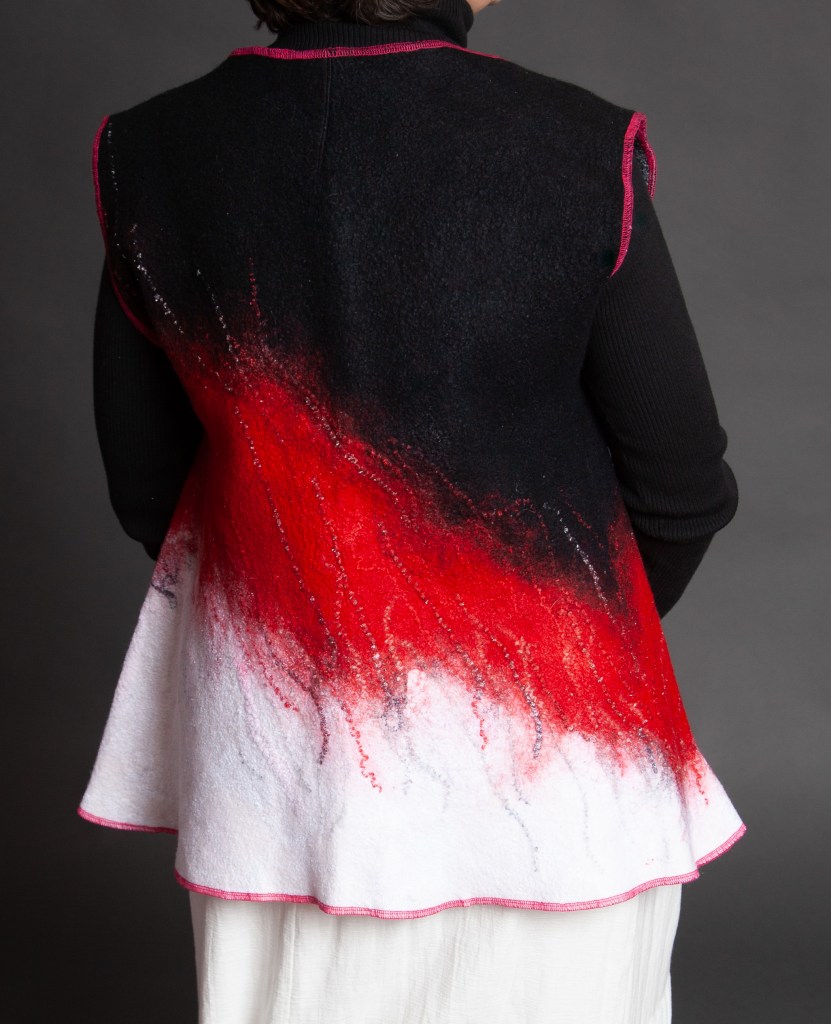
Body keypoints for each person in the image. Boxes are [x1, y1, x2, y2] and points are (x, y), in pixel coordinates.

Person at [79, 1, 746, 1020]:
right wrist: (552, 646)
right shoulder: (578, 146)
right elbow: (683, 488)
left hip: (280, 775)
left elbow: (147, 486)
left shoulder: (151, 153)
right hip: (561, 773)